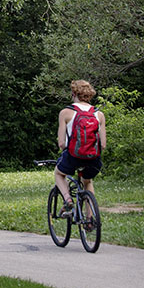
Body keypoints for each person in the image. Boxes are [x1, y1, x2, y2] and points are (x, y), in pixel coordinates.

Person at [55, 80, 107, 216]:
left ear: (73, 94)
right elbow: (103, 144)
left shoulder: (66, 112)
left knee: (59, 174)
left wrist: (67, 151)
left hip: (74, 156)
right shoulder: (99, 114)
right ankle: (90, 218)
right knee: (88, 181)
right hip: (93, 158)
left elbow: (61, 143)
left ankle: (67, 200)